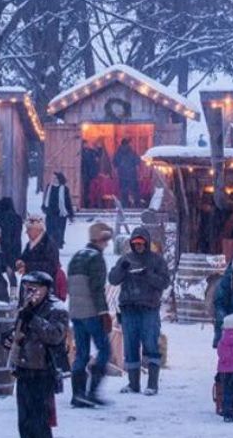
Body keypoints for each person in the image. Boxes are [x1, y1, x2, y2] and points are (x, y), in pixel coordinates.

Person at [6, 271, 69, 438]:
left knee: (40, 422)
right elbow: (18, 333)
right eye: (27, 288)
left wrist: (32, 319)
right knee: (24, 423)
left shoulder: (56, 308)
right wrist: (9, 337)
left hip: (43, 371)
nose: (30, 292)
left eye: (35, 288)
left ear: (46, 289)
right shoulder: (25, 308)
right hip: (24, 368)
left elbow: (55, 335)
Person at [108, 227, 170, 395]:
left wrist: (148, 275)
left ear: (147, 243)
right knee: (130, 346)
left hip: (149, 308)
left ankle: (152, 384)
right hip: (129, 309)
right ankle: (133, 383)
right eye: (136, 243)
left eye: (142, 243)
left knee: (151, 344)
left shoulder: (157, 261)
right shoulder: (125, 259)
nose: (139, 246)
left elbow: (164, 282)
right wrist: (122, 268)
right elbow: (113, 279)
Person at [67, 222, 114, 408]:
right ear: (100, 240)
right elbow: (97, 289)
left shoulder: (77, 257)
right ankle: (92, 391)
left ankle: (78, 394)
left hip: (75, 312)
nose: (107, 244)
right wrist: (104, 313)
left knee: (82, 354)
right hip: (92, 312)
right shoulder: (96, 259)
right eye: (106, 240)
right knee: (104, 350)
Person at [17, 215, 60, 282]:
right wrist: (20, 262)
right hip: (30, 283)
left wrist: (28, 267)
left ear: (38, 230)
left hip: (42, 285)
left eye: (29, 229)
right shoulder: (30, 244)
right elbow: (24, 257)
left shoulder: (49, 244)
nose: (26, 232)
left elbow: (51, 266)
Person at [42, 173, 74, 250]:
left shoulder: (64, 189)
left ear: (59, 179)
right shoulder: (49, 187)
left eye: (56, 178)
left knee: (59, 231)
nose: (54, 179)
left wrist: (70, 213)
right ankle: (50, 245)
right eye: (53, 178)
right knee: (50, 230)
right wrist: (44, 207)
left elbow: (67, 201)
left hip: (60, 214)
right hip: (50, 213)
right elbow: (45, 198)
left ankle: (58, 245)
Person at [0, 197, 23, 270]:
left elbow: (2, 237)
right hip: (16, 252)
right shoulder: (18, 218)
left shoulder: (1, 218)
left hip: (3, 253)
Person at [113, 138, 141, 207]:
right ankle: (136, 206)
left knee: (123, 192)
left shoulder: (118, 153)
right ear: (128, 144)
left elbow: (114, 163)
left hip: (122, 175)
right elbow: (138, 161)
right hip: (132, 175)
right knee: (134, 191)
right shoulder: (132, 152)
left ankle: (125, 206)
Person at [80, 141, 99, 209]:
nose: (86, 145)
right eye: (84, 144)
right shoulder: (80, 152)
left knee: (90, 190)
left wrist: (98, 148)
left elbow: (98, 156)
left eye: (86, 144)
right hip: (84, 174)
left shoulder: (91, 152)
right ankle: (85, 203)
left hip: (90, 174)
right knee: (85, 190)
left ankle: (89, 203)